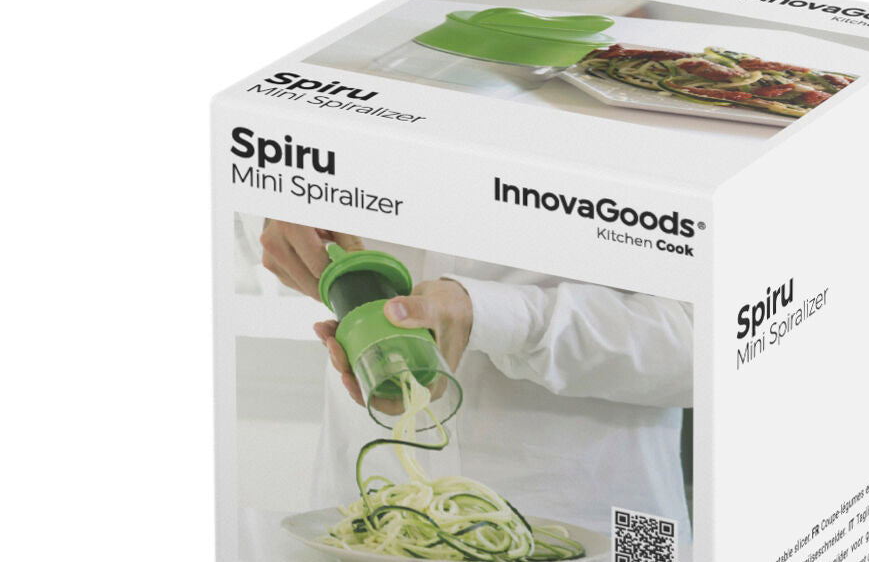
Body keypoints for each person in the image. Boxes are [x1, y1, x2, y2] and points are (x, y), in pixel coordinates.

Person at [259, 218, 694, 540]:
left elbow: (708, 350)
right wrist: (274, 207)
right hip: (365, 522)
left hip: (592, 523)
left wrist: (495, 317)